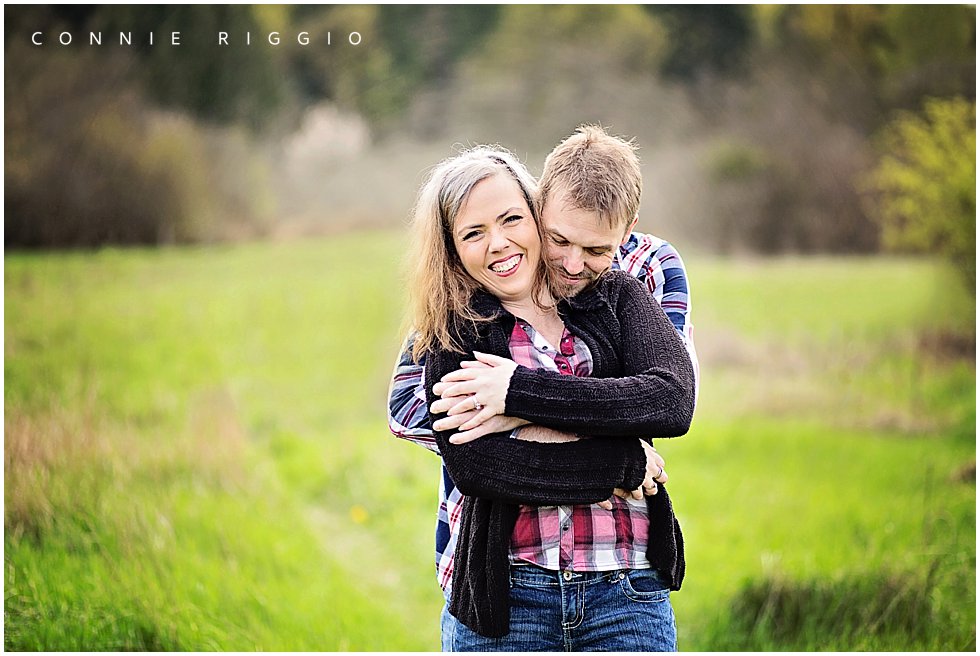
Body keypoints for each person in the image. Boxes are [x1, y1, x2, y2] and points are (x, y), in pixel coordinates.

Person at [392, 129, 696, 651]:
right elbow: (478, 467)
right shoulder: (457, 327)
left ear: (532, 212)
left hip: (625, 592)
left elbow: (668, 401)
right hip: (509, 597)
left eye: (511, 219)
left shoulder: (615, 292)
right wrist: (621, 463)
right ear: (453, 250)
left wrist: (515, 400)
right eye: (473, 233)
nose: (500, 242)